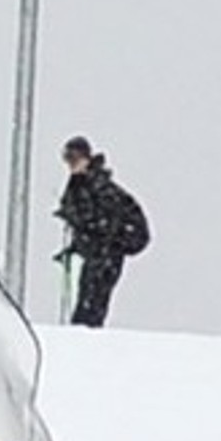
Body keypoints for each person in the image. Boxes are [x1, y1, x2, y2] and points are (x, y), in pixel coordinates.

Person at [52, 134, 151, 328]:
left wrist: (106, 243)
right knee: (87, 304)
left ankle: (87, 342)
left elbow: (101, 222)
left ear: (86, 158)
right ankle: (83, 337)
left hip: (106, 257)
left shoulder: (100, 187)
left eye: (74, 158)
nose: (71, 164)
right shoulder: (78, 186)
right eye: (67, 159)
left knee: (92, 305)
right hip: (97, 255)